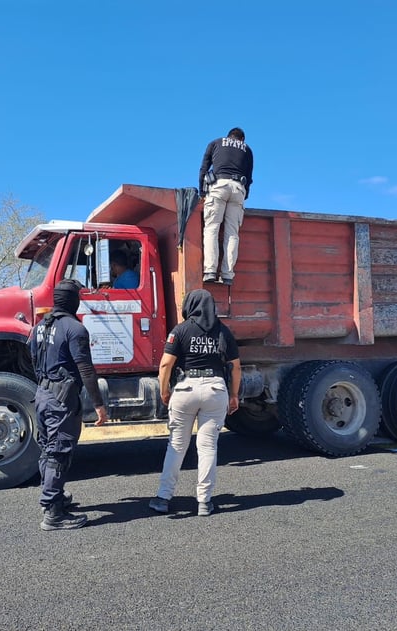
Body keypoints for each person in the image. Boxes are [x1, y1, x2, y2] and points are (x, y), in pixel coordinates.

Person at [149, 289, 241, 517]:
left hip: (186, 388)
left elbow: (165, 365)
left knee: (177, 446)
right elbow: (235, 366)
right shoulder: (223, 330)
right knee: (208, 447)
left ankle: (163, 497)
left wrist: (164, 391)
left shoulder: (181, 330)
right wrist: (234, 395)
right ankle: (204, 501)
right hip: (215, 390)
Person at [29, 279, 109, 531]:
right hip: (60, 400)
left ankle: (54, 497)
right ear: (73, 301)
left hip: (42, 394)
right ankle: (53, 513)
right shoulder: (75, 328)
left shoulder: (41, 326)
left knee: (47, 448)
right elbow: (85, 367)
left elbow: (32, 356)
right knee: (58, 452)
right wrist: (98, 404)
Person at [198, 127, 254, 286]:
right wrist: (245, 195)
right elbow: (249, 177)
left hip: (218, 186)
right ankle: (227, 274)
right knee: (232, 233)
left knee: (212, 228)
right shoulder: (247, 149)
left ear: (229, 136)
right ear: (241, 139)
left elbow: (204, 168)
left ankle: (210, 270)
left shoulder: (215, 143)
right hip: (238, 188)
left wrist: (202, 192)